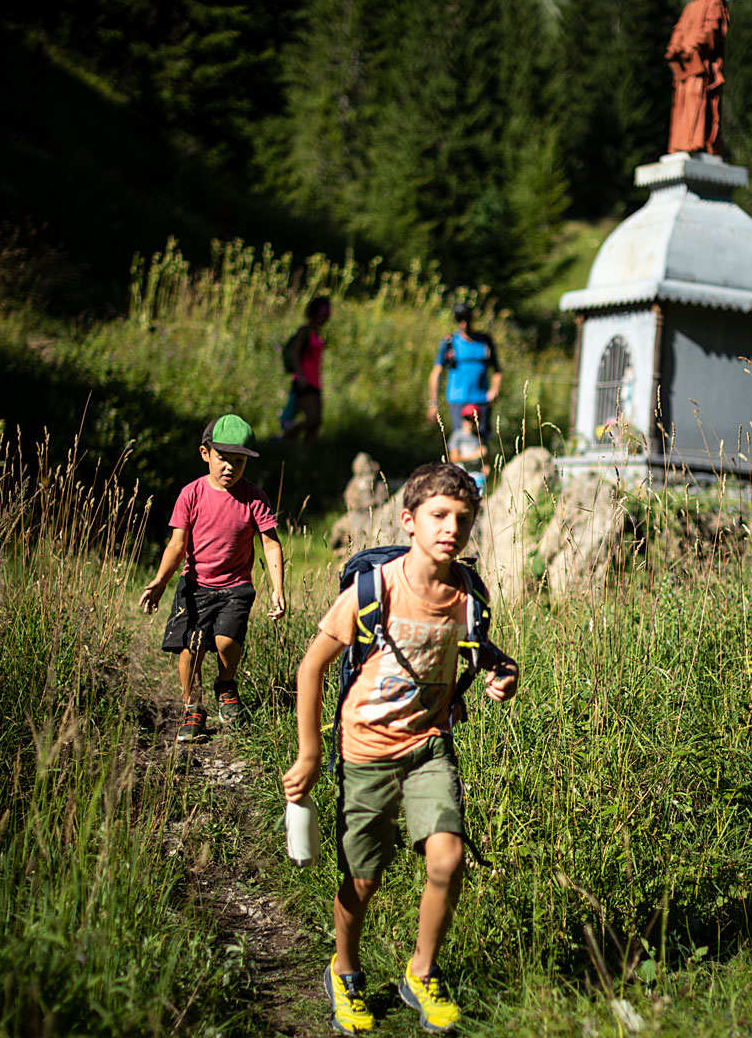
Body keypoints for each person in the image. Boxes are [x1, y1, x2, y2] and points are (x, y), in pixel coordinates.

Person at [282, 463, 519, 1035]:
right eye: (439, 515)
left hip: (430, 747)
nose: (451, 528)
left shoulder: (468, 595)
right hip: (365, 751)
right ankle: (344, 970)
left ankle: (421, 972)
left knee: (448, 859)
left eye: (464, 519)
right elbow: (310, 667)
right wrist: (310, 754)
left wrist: (500, 672)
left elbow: (480, 651)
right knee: (364, 876)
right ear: (409, 521)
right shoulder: (376, 589)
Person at [139, 414, 285, 742]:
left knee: (226, 642)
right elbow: (177, 544)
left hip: (236, 586)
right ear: (205, 454)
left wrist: (278, 588)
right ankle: (193, 706)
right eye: (223, 459)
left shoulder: (254, 498)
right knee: (190, 649)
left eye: (239, 461)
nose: (230, 467)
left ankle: (226, 686)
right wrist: (161, 581)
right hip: (195, 585)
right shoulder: (191, 495)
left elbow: (271, 544)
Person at [665, 0, 729, 155]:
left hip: (701, 67)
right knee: (682, 105)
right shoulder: (690, 7)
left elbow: (713, 29)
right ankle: (682, 144)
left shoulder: (713, 0)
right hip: (686, 67)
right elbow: (679, 30)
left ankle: (697, 143)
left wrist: (693, 44)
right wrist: (674, 46)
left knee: (697, 102)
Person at [427, 303, 502, 440]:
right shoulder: (450, 343)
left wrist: (494, 389)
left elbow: (497, 371)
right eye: (460, 320)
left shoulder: (484, 341)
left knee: (481, 442)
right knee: (460, 439)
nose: (464, 323)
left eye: (466, 319)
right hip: (458, 400)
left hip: (481, 399)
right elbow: (436, 372)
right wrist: (433, 403)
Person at [283, 295, 331, 443]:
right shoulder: (305, 331)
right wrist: (302, 376)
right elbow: (296, 355)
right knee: (312, 419)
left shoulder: (318, 333)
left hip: (315, 382)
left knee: (316, 423)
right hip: (304, 382)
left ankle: (306, 455)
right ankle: (286, 436)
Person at [447, 405, 489, 496]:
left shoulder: (479, 437)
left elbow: (485, 457)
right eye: (467, 418)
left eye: (472, 419)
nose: (469, 422)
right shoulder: (457, 436)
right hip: (461, 475)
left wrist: (486, 465)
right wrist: (475, 455)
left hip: (477, 476)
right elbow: (454, 458)